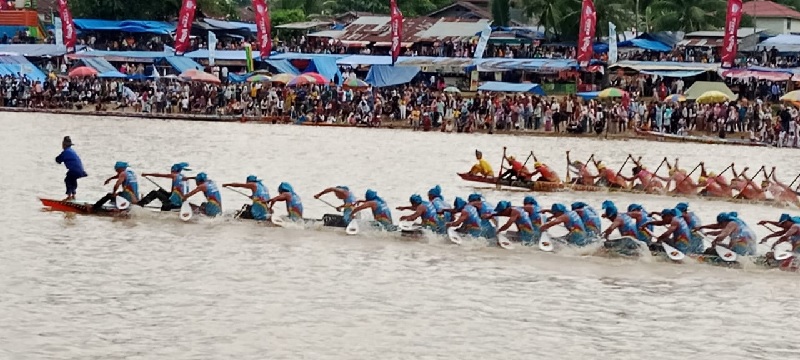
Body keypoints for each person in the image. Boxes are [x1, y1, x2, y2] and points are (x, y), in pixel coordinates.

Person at [55, 136, 87, 201]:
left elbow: (58, 160)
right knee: (72, 179)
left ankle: (69, 196)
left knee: (67, 180)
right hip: (81, 170)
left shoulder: (65, 152)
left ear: (64, 145)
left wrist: (57, 159)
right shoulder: (72, 151)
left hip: (74, 170)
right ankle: (73, 195)